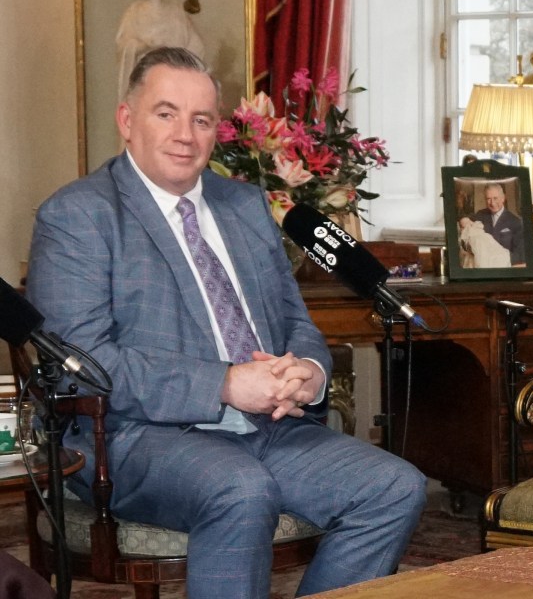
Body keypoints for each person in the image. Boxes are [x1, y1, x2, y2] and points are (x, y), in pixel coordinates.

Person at [26, 47, 427, 599]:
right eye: (165, 113)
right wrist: (224, 384)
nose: (185, 135)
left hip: (270, 429)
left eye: (202, 119)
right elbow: (80, 365)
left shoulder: (244, 204)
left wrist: (307, 371)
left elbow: (292, 316)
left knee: (394, 487)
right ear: (126, 119)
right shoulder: (78, 216)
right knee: (240, 489)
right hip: (136, 437)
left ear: (218, 130)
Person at [116, 0, 205, 104]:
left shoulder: (175, 13)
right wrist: (143, 46)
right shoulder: (134, 12)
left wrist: (172, 53)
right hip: (144, 80)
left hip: (173, 81)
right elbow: (123, 43)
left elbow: (196, 46)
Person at [470, 182, 525, 265]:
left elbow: (519, 255)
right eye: (488, 199)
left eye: (495, 198)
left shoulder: (515, 222)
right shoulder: (480, 215)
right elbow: (469, 237)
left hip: (504, 268)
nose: (492, 203)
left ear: (503, 198)